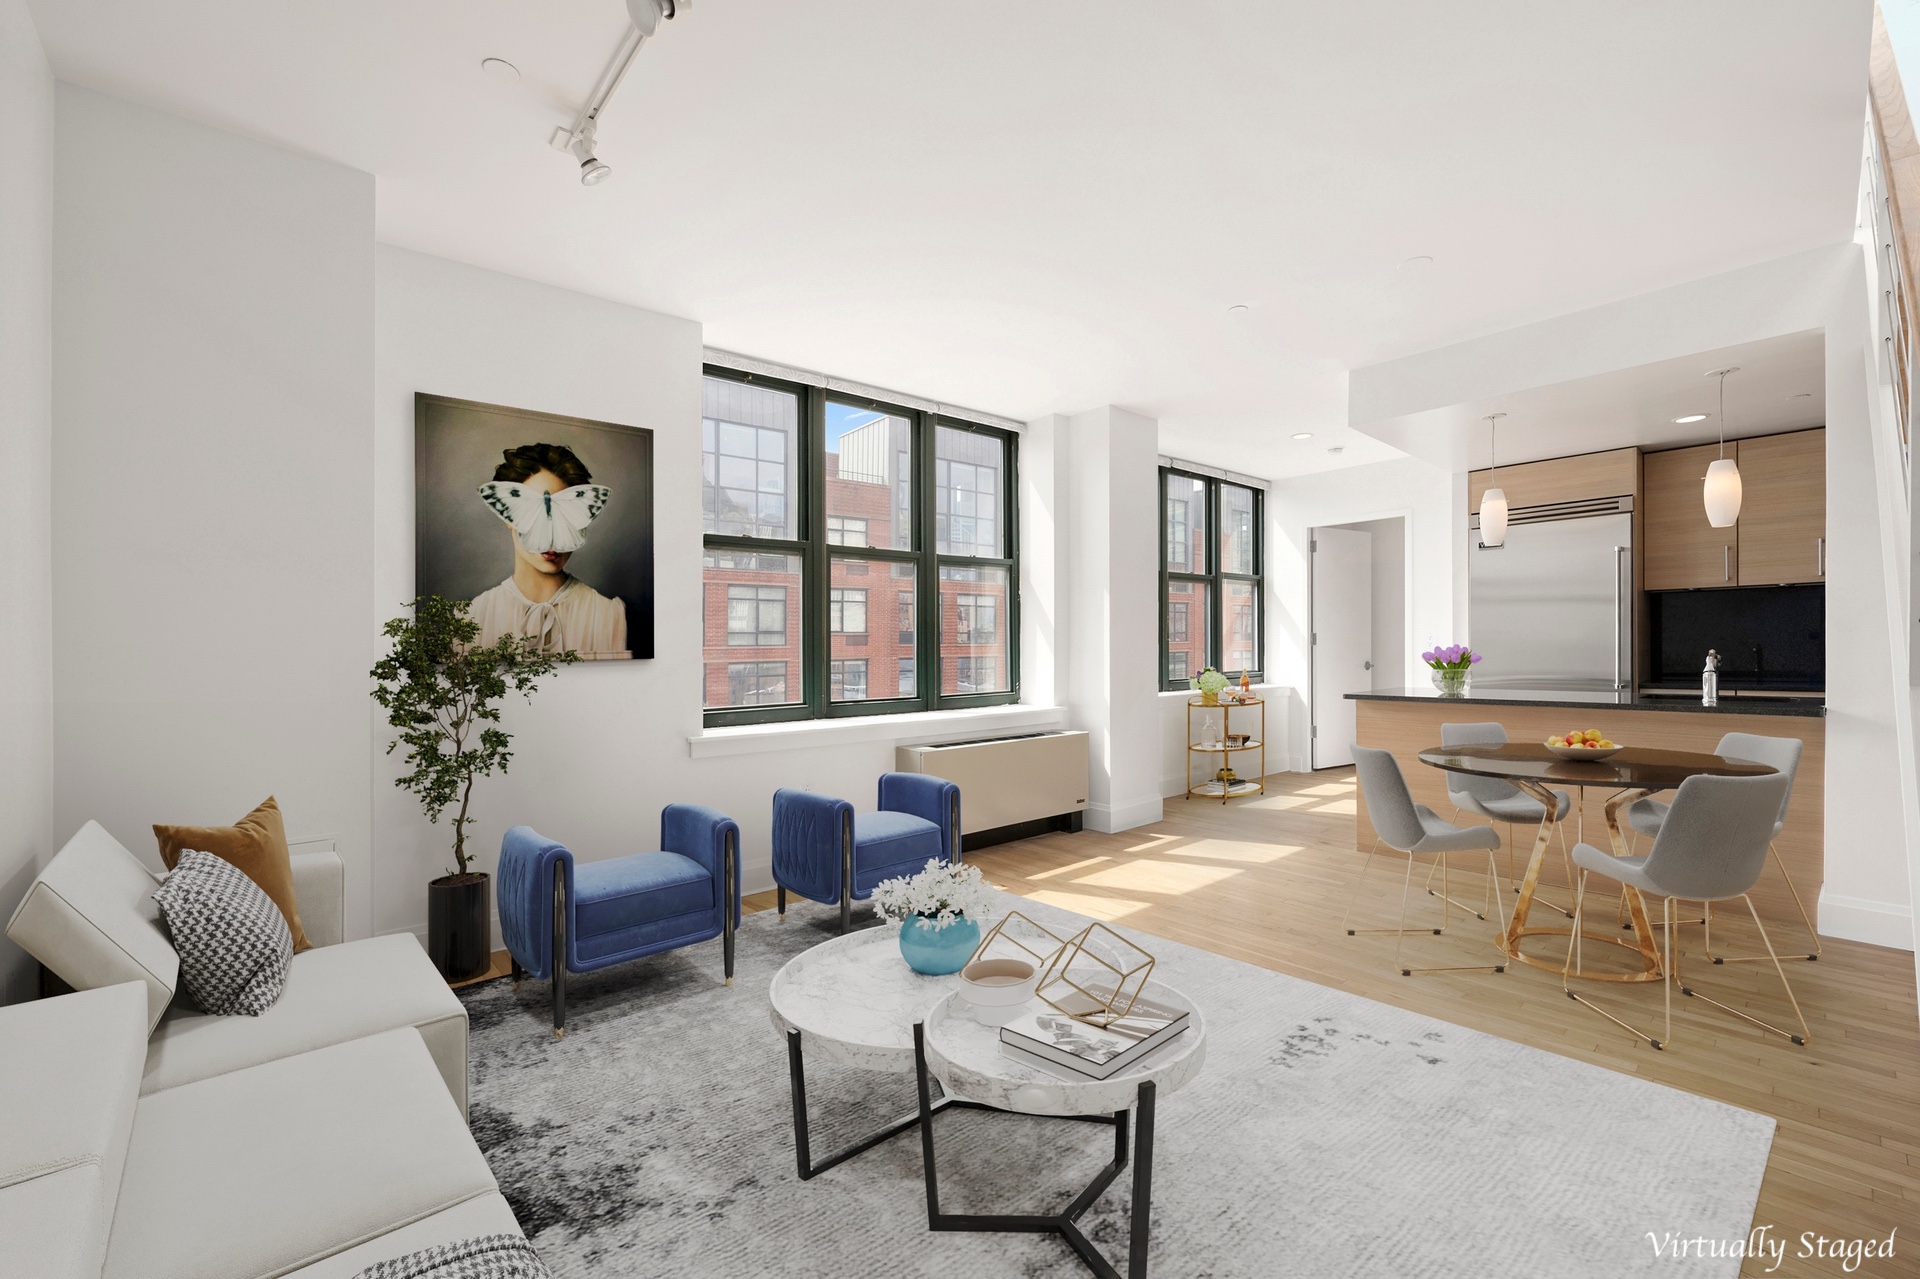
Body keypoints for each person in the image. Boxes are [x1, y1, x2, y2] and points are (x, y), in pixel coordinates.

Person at [469, 442, 629, 659]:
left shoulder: (608, 615)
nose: (550, 535)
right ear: (508, 518)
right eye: (536, 516)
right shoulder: (475, 615)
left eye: (562, 516)